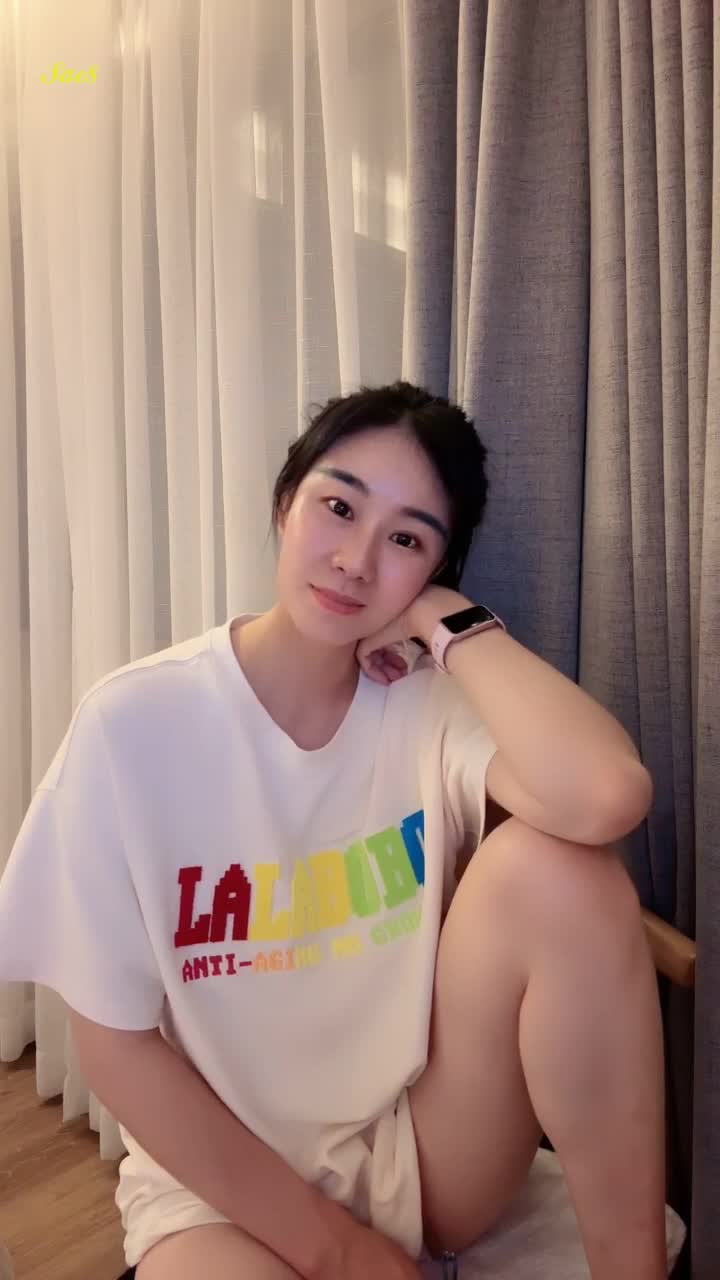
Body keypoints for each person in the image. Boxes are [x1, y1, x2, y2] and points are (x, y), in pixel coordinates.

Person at [0, 381, 666, 1280]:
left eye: (406, 540)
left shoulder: (425, 705)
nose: (355, 561)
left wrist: (441, 620)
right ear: (286, 502)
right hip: (222, 1190)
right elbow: (114, 1046)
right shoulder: (136, 724)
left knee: (565, 870)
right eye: (339, 506)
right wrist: (343, 1253)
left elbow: (605, 795)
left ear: (437, 566)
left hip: (420, 1151)